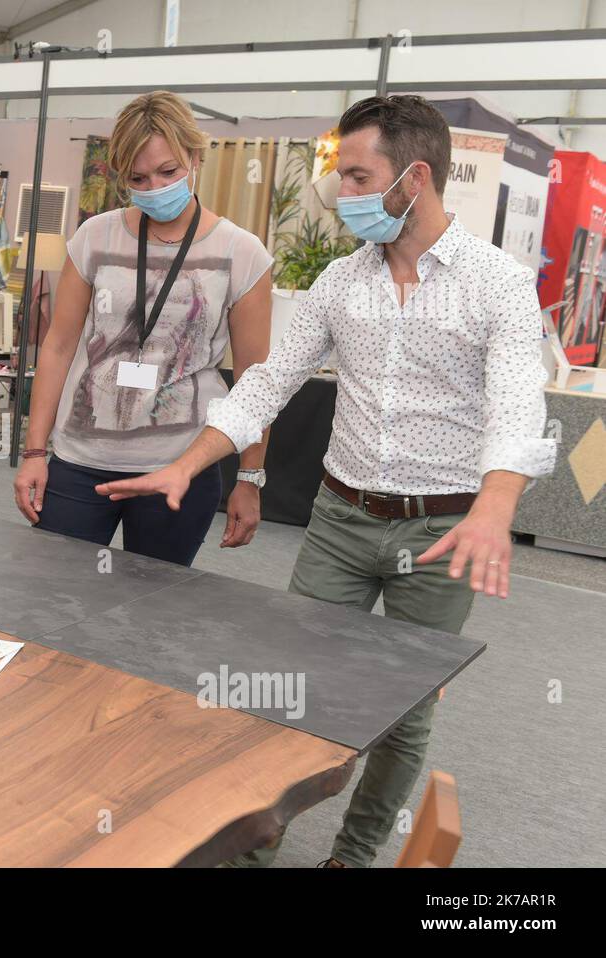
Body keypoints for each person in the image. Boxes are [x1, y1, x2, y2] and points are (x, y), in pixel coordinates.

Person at [95, 95, 557, 867]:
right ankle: (253, 847)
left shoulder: (497, 284)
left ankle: (355, 852)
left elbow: (518, 405)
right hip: (340, 521)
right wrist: (187, 462)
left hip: (440, 533)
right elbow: (269, 379)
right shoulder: (343, 281)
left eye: (355, 176)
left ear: (413, 178)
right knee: (289, 693)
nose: (342, 194)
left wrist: (493, 508)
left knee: (402, 716)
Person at [13, 90, 274, 566]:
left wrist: (249, 478)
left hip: (180, 467)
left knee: (149, 617)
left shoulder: (243, 253)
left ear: (196, 157)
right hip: (80, 459)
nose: (154, 187)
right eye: (138, 178)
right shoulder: (95, 236)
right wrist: (34, 451)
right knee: (50, 593)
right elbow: (57, 347)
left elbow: (257, 381)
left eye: (168, 172)